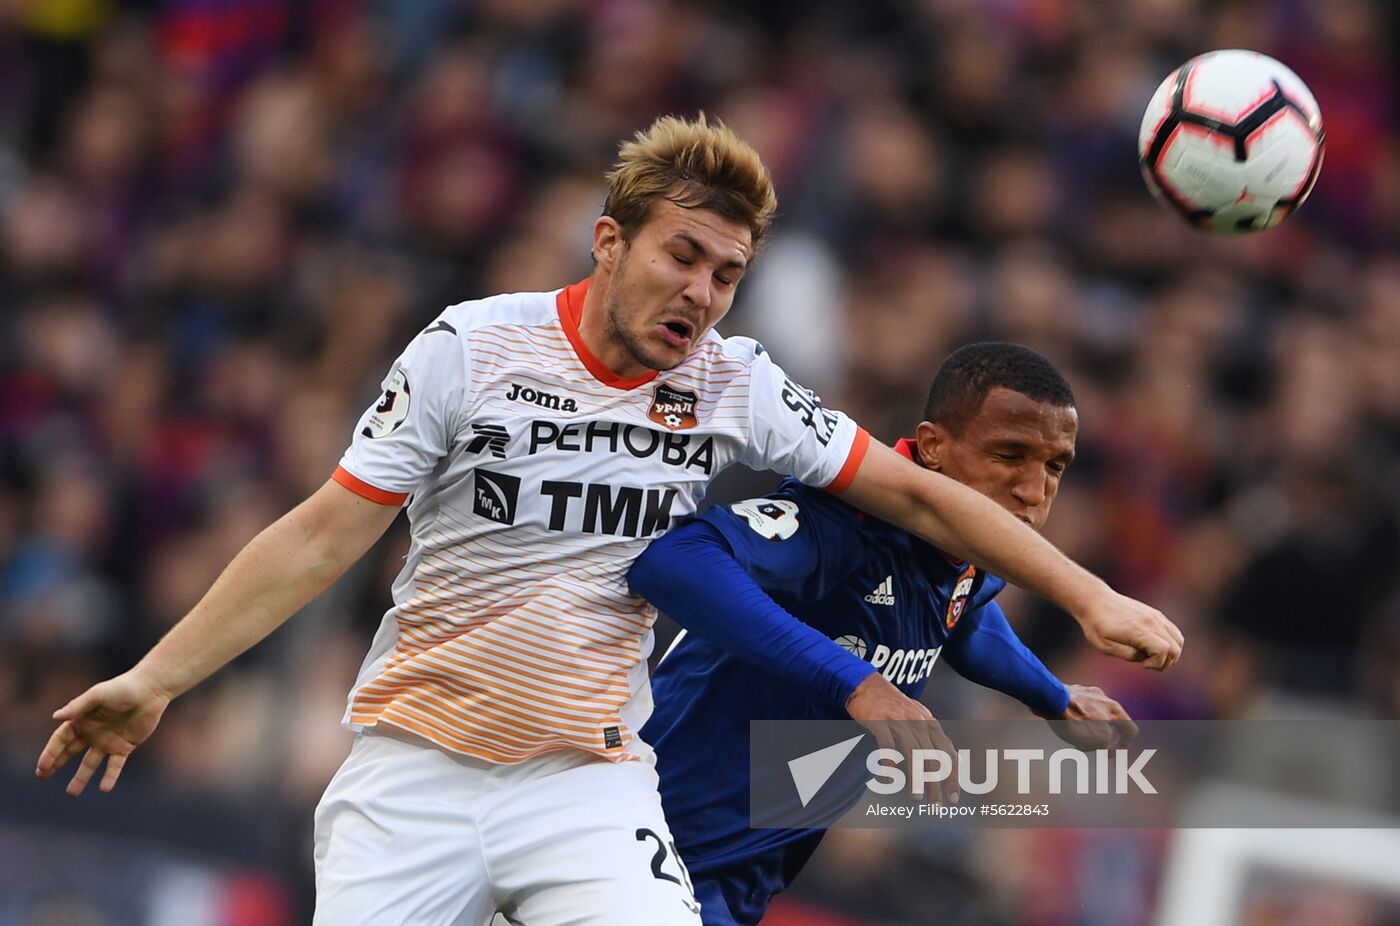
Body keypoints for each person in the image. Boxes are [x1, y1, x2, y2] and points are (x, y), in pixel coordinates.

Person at [35, 116, 1178, 925]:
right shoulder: (470, 348)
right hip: (412, 768)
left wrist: (1089, 597)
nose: (701, 292)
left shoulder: (734, 382)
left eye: (726, 273)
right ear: (609, 240)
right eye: (682, 254)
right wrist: (157, 676)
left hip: (585, 777)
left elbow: (928, 498)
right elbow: (322, 532)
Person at [630, 342, 1139, 925]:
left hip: (751, 866)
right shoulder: (845, 522)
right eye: (1010, 454)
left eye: (1054, 466)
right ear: (933, 447)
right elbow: (673, 561)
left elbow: (964, 616)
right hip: (663, 846)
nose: (1033, 489)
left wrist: (1051, 696)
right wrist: (858, 683)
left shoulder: (963, 555)